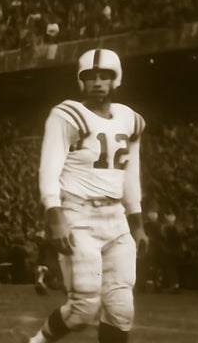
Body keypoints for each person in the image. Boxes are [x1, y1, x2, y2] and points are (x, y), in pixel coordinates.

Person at [27, 49, 149, 343]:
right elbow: (49, 168)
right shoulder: (67, 115)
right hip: (78, 216)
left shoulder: (129, 119)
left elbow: (130, 175)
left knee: (121, 308)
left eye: (104, 75)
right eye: (90, 76)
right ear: (81, 81)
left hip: (115, 218)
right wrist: (55, 216)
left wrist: (138, 223)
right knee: (83, 309)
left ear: (115, 79)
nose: (97, 82)